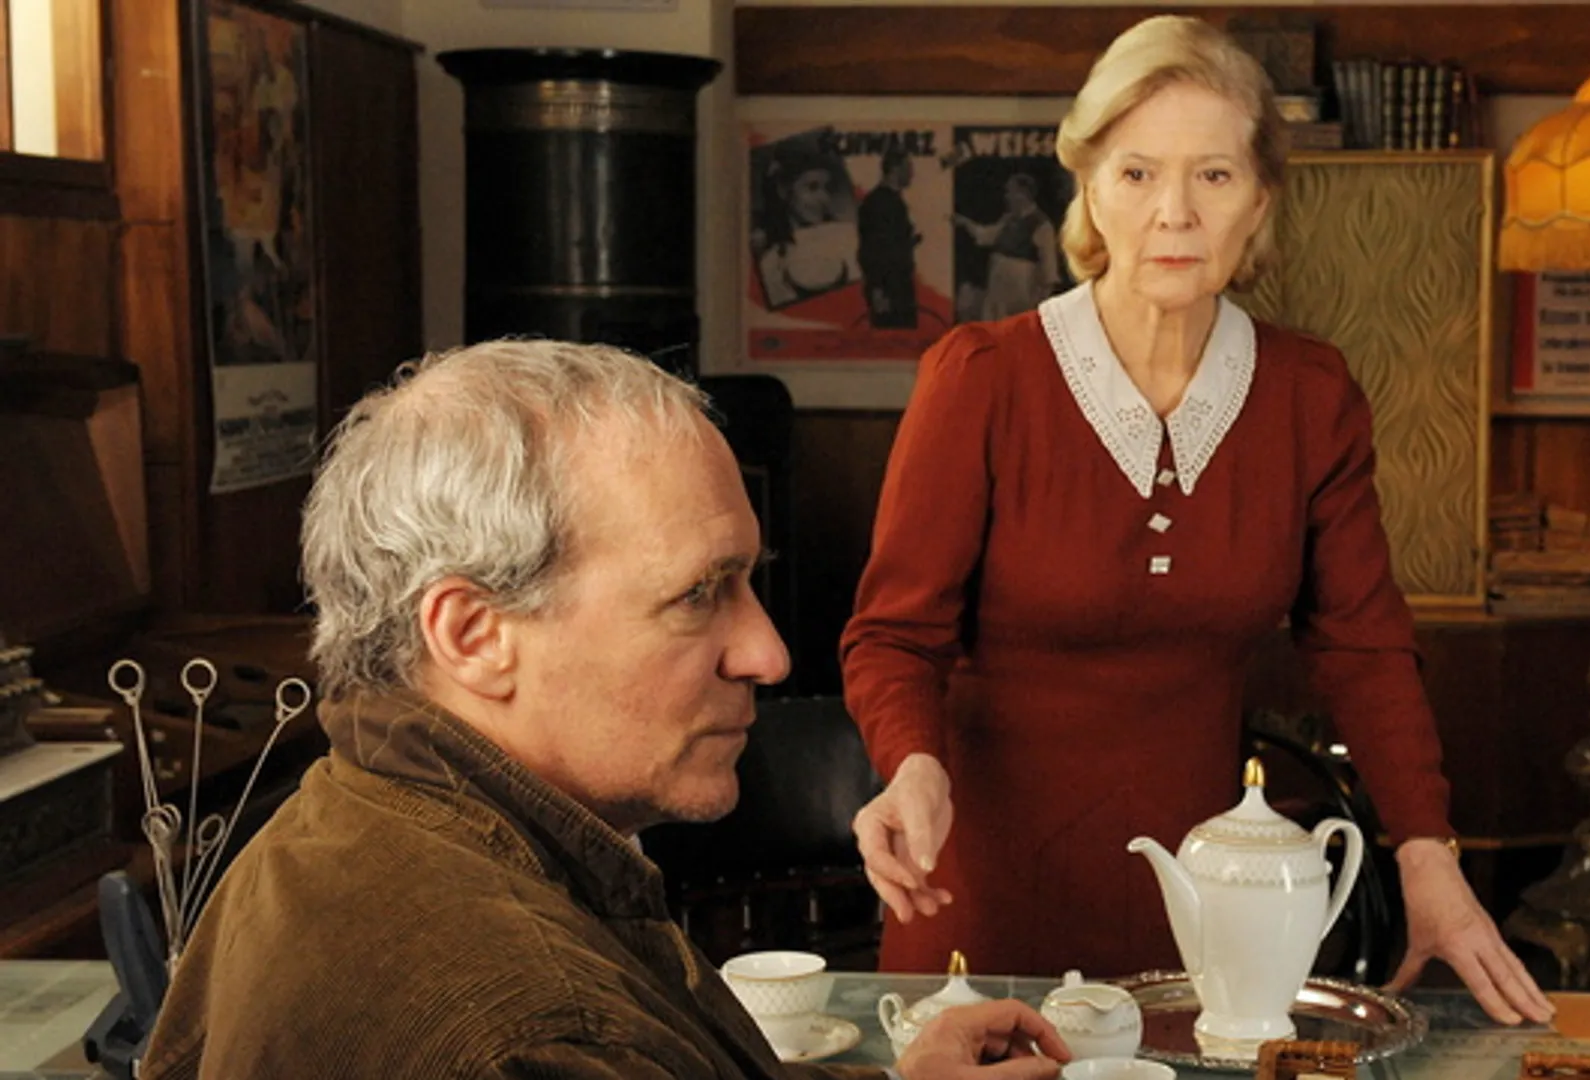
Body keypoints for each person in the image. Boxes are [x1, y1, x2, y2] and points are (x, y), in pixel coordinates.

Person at [840, 15, 1556, 1027]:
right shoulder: (982, 379)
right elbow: (893, 636)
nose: (1174, 213)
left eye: (1213, 176)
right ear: (1090, 189)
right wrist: (911, 765)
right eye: (1137, 174)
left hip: (1205, 917)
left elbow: (1365, 649)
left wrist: (1428, 857)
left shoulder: (1310, 394)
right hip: (974, 898)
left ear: (1259, 200)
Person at [140, 340, 1071, 1080]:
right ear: (474, 634)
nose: (768, 654)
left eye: (748, 583)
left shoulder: (334, 823)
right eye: (699, 594)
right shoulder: (541, 1031)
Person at [756, 143, 862, 309]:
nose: (824, 198)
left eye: (827, 188)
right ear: (783, 191)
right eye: (812, 187)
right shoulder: (771, 262)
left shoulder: (848, 236)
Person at [952, 173, 1059, 319]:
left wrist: (1041, 299)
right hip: (999, 286)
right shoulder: (1008, 219)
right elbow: (987, 235)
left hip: (1022, 288)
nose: (1007, 196)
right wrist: (965, 223)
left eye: (1010, 191)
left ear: (1023, 194)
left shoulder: (1041, 224)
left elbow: (1049, 264)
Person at [859, 147, 922, 329]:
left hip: (899, 286)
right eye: (908, 168)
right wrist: (878, 290)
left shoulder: (891, 201)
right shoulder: (878, 203)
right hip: (889, 290)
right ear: (895, 169)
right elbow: (871, 250)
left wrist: (909, 243)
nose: (912, 174)